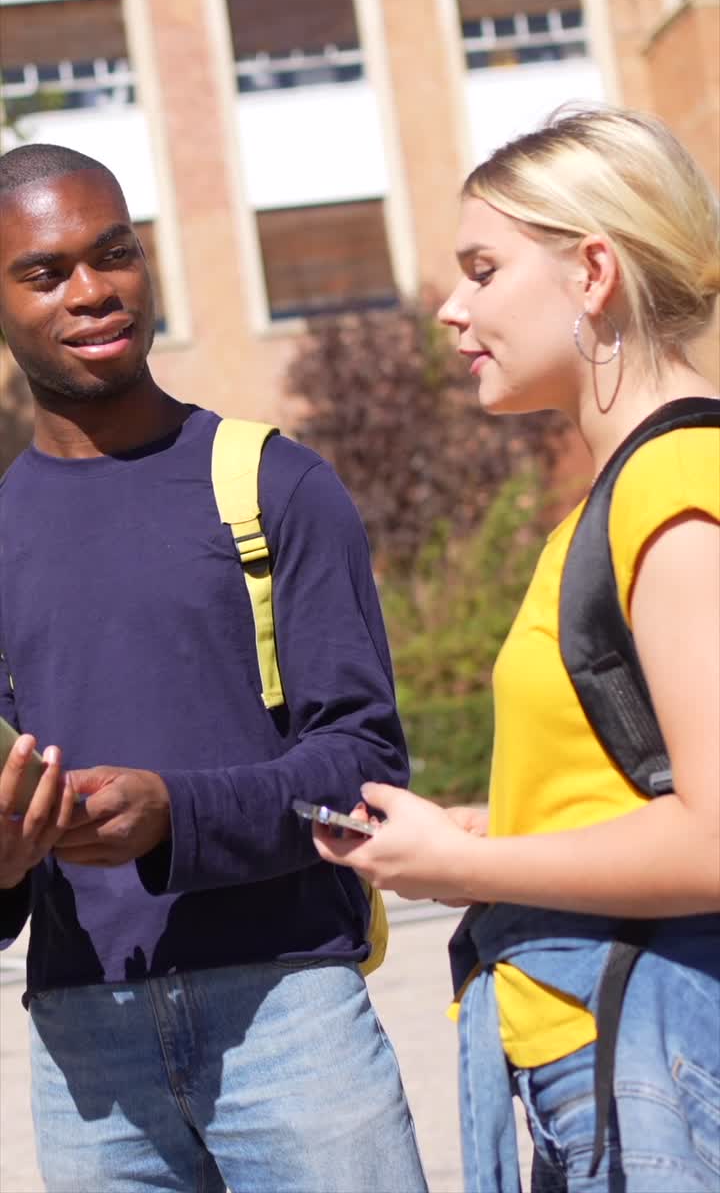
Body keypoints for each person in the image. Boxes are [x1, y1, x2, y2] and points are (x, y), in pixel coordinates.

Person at [0, 142, 428, 1193]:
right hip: (84, 1040)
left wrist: (172, 815)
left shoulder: (274, 482)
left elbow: (366, 763)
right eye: (47, 272)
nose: (94, 291)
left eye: (115, 255)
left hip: (292, 1022)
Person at [314, 106, 720, 1193]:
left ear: (593, 271)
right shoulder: (613, 501)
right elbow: (643, 783)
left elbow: (716, 837)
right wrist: (481, 823)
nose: (452, 308)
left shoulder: (673, 494)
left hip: (654, 1058)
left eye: (483, 269)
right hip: (605, 1050)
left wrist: (462, 866)